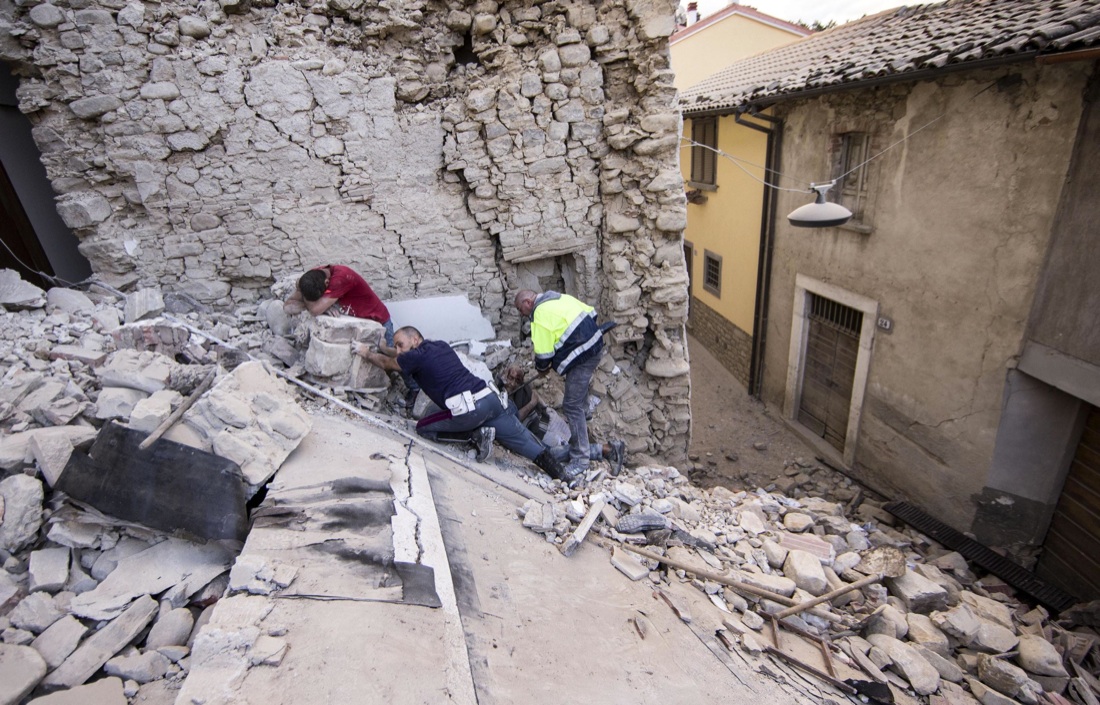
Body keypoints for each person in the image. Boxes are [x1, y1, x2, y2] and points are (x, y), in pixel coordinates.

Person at [355, 327, 583, 485]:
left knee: (423, 426)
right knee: (524, 442)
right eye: (397, 346)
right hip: (491, 399)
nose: (400, 350)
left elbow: (388, 362)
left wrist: (365, 352)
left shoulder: (412, 357)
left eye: (401, 344)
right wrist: (386, 347)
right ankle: (564, 477)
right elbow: (396, 355)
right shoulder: (440, 345)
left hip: (471, 409)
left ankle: (475, 435)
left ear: (415, 339)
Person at [513, 290, 617, 478]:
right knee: (578, 397)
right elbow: (591, 313)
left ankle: (580, 458)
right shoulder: (557, 298)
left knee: (571, 405)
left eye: (521, 310)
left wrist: (542, 369)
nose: (523, 314)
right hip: (594, 344)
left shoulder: (539, 315)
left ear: (528, 302)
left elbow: (544, 355)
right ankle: (584, 420)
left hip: (582, 356)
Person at [286, 265, 419, 409]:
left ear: (327, 284)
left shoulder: (341, 278)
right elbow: (288, 306)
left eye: (322, 297)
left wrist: (319, 305)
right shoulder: (312, 278)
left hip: (378, 320)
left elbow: (315, 309)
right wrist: (318, 303)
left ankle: (415, 389)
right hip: (357, 324)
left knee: (399, 359)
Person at [499, 363, 626, 476]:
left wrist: (533, 403)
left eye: (517, 380)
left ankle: (606, 450)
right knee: (563, 449)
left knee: (550, 454)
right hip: (544, 425)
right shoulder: (503, 392)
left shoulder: (522, 391)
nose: (512, 383)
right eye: (510, 378)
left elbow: (516, 417)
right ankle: (605, 450)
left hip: (545, 428)